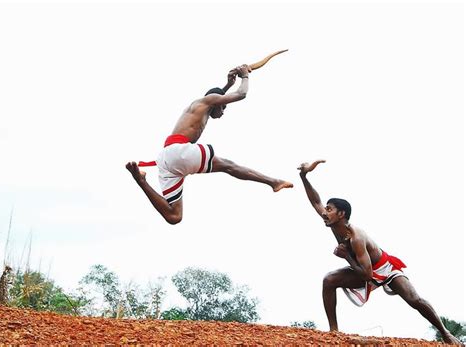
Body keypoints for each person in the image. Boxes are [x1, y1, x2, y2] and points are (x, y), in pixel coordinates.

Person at [297, 160, 462, 345]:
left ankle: (446, 334)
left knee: (414, 299)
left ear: (341, 214)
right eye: (325, 209)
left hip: (384, 268)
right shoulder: (332, 223)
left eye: (329, 210)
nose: (324, 213)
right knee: (329, 280)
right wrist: (303, 176)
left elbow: (368, 276)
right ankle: (333, 332)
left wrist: (347, 257)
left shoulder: (356, 237)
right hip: (363, 266)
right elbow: (316, 201)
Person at [126, 64, 293, 224]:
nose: (223, 111)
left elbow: (215, 97)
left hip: (166, 159)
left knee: (174, 216)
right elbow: (241, 94)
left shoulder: (201, 105)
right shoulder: (207, 102)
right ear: (218, 103)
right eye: (223, 107)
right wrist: (245, 76)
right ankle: (273, 181)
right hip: (178, 152)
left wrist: (227, 84)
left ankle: (141, 181)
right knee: (229, 166)